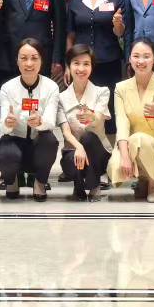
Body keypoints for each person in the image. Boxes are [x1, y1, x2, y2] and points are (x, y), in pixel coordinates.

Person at [107, 38, 154, 202]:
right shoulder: (121, 88)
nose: (141, 61)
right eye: (136, 56)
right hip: (131, 145)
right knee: (115, 164)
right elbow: (122, 124)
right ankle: (143, 179)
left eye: (146, 56)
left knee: (140, 139)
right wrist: (125, 157)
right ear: (130, 59)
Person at [0, 37, 63, 201]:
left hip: (38, 144)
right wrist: (8, 123)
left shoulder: (51, 87)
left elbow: (50, 121)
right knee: (5, 153)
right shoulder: (7, 88)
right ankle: (12, 180)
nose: (29, 63)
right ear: (17, 61)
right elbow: (2, 125)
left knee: (50, 141)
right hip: (14, 141)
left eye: (34, 58)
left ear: (41, 61)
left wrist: (40, 122)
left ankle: (40, 182)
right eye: (24, 58)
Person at [64, 0, 126, 93]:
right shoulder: (75, 1)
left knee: (109, 103)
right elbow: (70, 35)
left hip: (109, 63)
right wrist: (68, 65)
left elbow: (120, 32)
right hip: (80, 65)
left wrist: (117, 23)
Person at [57, 44, 112, 200]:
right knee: (73, 157)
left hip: (99, 152)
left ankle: (94, 186)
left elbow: (99, 117)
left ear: (92, 67)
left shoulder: (102, 92)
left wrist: (92, 116)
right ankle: (79, 185)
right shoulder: (61, 98)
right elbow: (66, 132)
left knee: (88, 137)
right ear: (68, 66)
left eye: (86, 64)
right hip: (73, 151)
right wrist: (79, 147)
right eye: (76, 63)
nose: (81, 69)